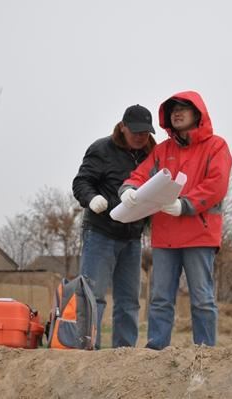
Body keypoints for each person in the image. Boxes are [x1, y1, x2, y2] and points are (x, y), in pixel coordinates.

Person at [119, 91, 232, 350]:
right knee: (160, 298)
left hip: (199, 235)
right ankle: (156, 351)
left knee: (202, 299)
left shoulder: (216, 146)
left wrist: (185, 205)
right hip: (165, 235)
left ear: (198, 114)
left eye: (183, 108)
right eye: (173, 110)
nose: (177, 113)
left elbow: (216, 184)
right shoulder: (162, 150)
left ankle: (204, 353)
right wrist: (128, 191)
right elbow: (140, 175)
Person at [72, 104, 156, 349]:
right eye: (136, 132)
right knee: (92, 296)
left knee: (129, 299)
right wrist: (92, 199)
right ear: (123, 127)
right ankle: (88, 349)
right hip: (100, 232)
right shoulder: (101, 149)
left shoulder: (152, 153)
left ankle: (124, 353)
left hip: (132, 236)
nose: (141, 137)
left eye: (145, 132)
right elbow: (81, 182)